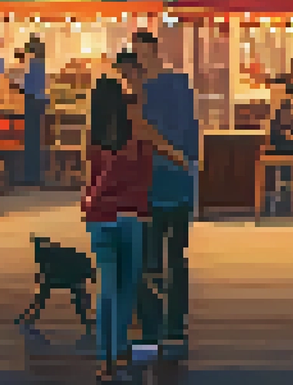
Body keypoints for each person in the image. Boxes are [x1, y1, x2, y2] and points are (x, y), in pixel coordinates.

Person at [82, 51, 154, 382]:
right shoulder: (136, 133)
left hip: (100, 216)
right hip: (132, 215)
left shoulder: (93, 136)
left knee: (106, 288)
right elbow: (146, 174)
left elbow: (90, 177)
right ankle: (121, 348)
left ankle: (103, 359)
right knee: (126, 288)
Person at [128, 32, 196, 358]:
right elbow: (189, 135)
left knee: (157, 260)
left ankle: (159, 329)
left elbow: (151, 134)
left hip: (160, 184)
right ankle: (168, 328)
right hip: (168, 184)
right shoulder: (176, 86)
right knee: (168, 259)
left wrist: (170, 152)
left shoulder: (150, 93)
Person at [21, 35, 49, 188]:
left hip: (31, 102)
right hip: (40, 102)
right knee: (37, 140)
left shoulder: (31, 64)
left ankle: (31, 175)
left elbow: (25, 85)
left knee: (31, 140)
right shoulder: (41, 64)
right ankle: (37, 174)